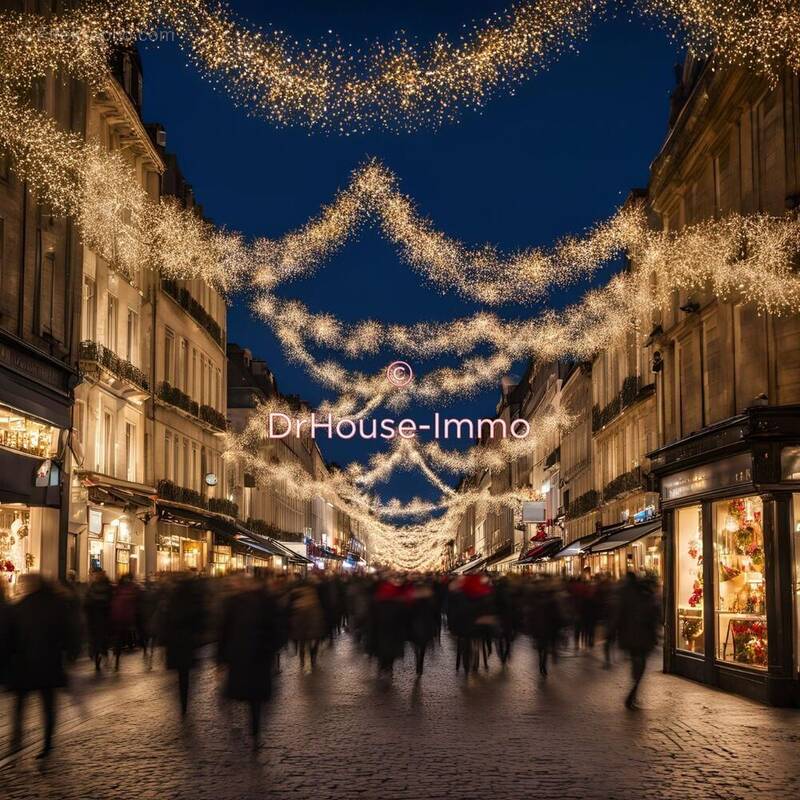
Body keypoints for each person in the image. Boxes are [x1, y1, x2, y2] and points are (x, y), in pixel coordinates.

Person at [7, 574, 79, 759]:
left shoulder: (20, 606)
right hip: (48, 662)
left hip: (24, 664)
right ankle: (47, 742)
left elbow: (9, 636)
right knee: (47, 704)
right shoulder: (56, 605)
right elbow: (69, 631)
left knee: (21, 704)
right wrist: (71, 652)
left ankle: (16, 741)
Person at [217, 575, 280, 752]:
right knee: (255, 699)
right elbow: (276, 630)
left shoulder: (234, 603)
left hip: (241, 656)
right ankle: (255, 732)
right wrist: (271, 650)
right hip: (258, 658)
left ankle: (247, 727)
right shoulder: (266, 602)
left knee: (240, 692)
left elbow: (224, 631)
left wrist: (221, 657)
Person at [161, 573, 207, 718]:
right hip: (189, 643)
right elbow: (200, 621)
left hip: (175, 643)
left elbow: (166, 621)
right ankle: (185, 700)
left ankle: (182, 701)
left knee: (181, 674)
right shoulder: (194, 600)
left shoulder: (171, 600)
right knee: (185, 674)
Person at [616, 572, 660, 709]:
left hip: (631, 637)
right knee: (640, 666)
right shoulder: (648, 599)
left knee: (638, 665)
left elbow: (620, 616)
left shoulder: (630, 596)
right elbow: (652, 619)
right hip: (642, 638)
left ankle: (633, 694)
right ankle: (632, 694)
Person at [110, 573, 141, 670]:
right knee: (121, 637)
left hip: (119, 617)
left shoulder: (118, 589)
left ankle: (117, 658)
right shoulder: (133, 589)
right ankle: (117, 657)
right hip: (125, 617)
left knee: (119, 638)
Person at [84, 568, 112, 672]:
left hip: (97, 617)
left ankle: (97, 654)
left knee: (96, 638)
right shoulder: (106, 586)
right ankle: (99, 654)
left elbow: (87, 602)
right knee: (100, 638)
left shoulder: (93, 587)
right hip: (99, 617)